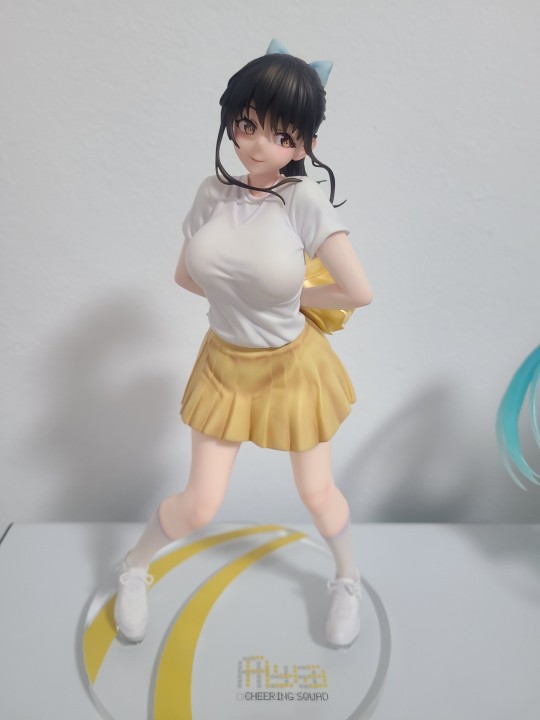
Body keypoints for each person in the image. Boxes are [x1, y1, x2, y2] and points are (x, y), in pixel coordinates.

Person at [114, 39, 373, 648]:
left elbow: (358, 291)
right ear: (232, 120)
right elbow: (186, 277)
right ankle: (133, 567)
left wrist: (294, 298)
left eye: (281, 135)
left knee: (316, 493)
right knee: (200, 504)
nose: (257, 145)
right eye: (247, 125)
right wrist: (241, 295)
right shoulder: (213, 192)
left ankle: (348, 578)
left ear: (304, 145)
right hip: (224, 365)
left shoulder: (303, 201)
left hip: (292, 368)